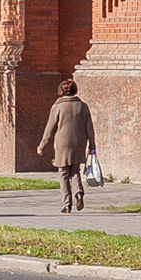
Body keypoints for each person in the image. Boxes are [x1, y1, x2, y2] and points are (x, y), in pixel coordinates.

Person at [37, 78, 98, 212]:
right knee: (75, 171)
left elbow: (49, 129)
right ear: (75, 90)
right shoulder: (83, 106)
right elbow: (90, 128)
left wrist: (42, 145)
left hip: (62, 143)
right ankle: (79, 193)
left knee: (63, 173)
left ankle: (67, 204)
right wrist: (92, 145)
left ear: (61, 91)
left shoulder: (57, 107)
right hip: (79, 142)